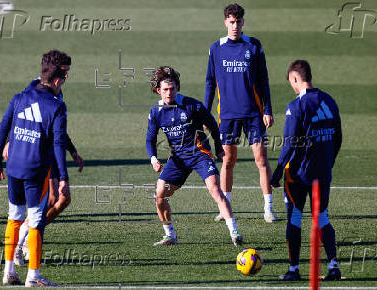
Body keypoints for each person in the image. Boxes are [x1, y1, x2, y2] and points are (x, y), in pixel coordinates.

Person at [0, 49, 72, 287]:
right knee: (35, 222)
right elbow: (57, 143)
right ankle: (33, 276)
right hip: (36, 172)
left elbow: (3, 128)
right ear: (57, 80)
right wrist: (62, 176)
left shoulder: (18, 97)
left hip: (13, 168)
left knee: (14, 218)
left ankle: (9, 272)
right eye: (65, 78)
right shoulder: (56, 107)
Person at [146, 66, 243, 246]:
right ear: (158, 90)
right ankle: (170, 235)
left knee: (214, 188)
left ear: (177, 88)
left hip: (200, 154)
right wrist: (153, 159)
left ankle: (234, 232)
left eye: (172, 88)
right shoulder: (156, 113)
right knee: (160, 194)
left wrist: (218, 147)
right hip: (178, 159)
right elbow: (150, 139)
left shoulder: (193, 105)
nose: (169, 93)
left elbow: (213, 124)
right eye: (165, 90)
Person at [270, 60, 342, 281]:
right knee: (322, 217)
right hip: (323, 173)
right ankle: (333, 266)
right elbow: (338, 137)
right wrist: (329, 161)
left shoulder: (296, 106)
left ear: (294, 78)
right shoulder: (329, 100)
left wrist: (279, 169)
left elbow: (290, 142)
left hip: (299, 175)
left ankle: (293, 270)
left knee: (295, 219)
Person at [204, 3, 277, 223]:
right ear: (225, 22)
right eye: (231, 22)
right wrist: (205, 115)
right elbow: (210, 82)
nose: (235, 26)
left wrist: (267, 109)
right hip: (227, 115)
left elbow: (263, 81)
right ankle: (225, 208)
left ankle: (268, 209)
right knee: (227, 161)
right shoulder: (216, 48)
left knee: (261, 160)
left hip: (253, 114)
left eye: (238, 22)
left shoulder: (254, 46)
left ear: (243, 22)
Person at [3, 78, 84, 267]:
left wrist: (72, 150)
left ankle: (26, 236)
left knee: (63, 200)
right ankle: (23, 244)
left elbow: (58, 129)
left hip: (53, 151)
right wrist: (9, 140)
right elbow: (21, 117)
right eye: (64, 70)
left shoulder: (57, 92)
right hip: (40, 154)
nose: (66, 75)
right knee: (50, 199)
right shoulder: (35, 87)